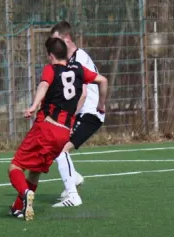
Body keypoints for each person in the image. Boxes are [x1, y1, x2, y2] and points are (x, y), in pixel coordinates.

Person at [8, 37, 108, 221]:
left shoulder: (50, 69)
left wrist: (33, 105)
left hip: (46, 128)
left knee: (15, 166)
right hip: (63, 133)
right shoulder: (78, 69)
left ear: (51, 55)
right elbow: (102, 80)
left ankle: (25, 193)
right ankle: (18, 207)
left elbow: (44, 85)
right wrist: (101, 105)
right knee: (35, 170)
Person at [50, 21, 105, 207]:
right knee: (57, 147)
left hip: (89, 114)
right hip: (84, 113)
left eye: (57, 41)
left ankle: (73, 195)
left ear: (67, 39)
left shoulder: (79, 59)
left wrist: (69, 116)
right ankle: (74, 179)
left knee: (60, 149)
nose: (55, 47)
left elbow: (83, 93)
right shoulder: (71, 60)